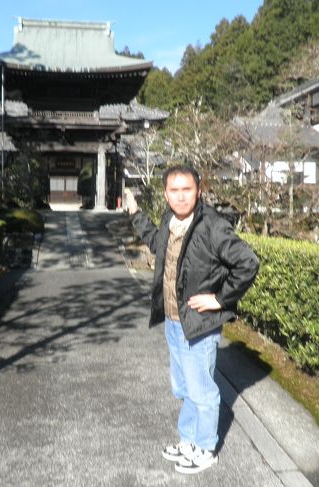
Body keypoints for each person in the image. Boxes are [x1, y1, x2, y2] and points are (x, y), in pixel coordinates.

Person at [124, 166, 259, 474]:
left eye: (187, 189)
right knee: (183, 387)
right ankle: (188, 439)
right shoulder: (170, 219)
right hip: (174, 321)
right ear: (166, 193)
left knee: (202, 391)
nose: (181, 196)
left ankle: (206, 447)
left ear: (199, 191)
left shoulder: (211, 225)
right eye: (174, 190)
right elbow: (159, 246)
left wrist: (220, 299)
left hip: (199, 324)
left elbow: (247, 262)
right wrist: (135, 214)